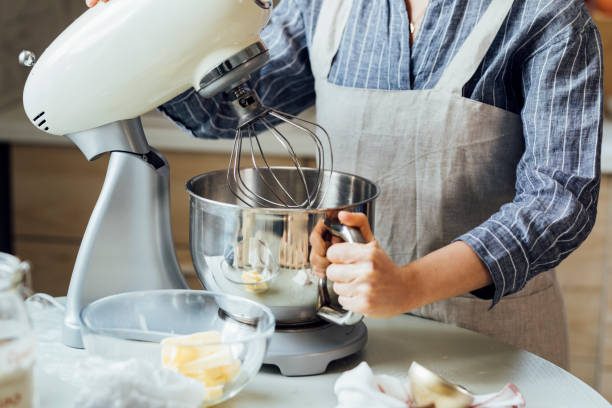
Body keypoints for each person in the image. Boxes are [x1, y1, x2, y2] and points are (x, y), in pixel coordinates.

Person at [88, 0, 603, 369]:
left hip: (491, 344)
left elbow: (559, 199)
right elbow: (223, 111)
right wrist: (142, 42)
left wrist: (408, 286)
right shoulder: (324, 7)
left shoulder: (549, 17)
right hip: (347, 337)